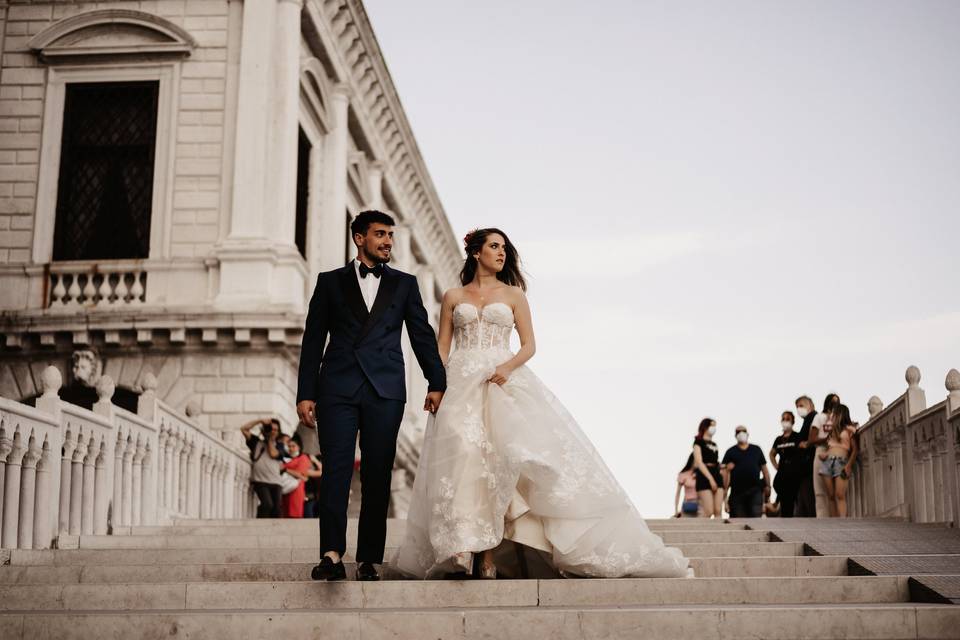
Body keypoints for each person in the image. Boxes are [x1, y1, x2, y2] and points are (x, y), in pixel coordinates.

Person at [393, 228, 689, 580]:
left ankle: (487, 556)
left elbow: (529, 345)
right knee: (463, 461)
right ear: (476, 253)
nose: (502, 253)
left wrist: (506, 368)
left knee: (501, 463)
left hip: (502, 384)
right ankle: (461, 546)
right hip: (461, 384)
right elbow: (442, 346)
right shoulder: (454, 296)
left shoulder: (514, 295)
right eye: (494, 246)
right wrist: (436, 384)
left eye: (505, 248)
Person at [295, 210, 446, 582]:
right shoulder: (329, 282)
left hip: (386, 390)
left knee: (377, 475)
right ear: (359, 238)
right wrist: (305, 392)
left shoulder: (405, 284)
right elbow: (313, 339)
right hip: (337, 388)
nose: (388, 242)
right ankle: (330, 555)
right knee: (336, 472)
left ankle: (368, 560)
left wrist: (436, 381)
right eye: (380, 234)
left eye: (391, 235)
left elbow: (422, 336)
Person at [818, 403, 859, 517]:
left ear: (841, 413)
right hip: (827, 462)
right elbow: (831, 446)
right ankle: (834, 522)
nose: (832, 415)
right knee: (830, 495)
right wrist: (825, 454)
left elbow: (855, 449)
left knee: (839, 494)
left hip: (841, 462)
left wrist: (849, 465)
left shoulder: (850, 429)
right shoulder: (831, 431)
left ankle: (842, 521)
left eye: (834, 413)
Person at [722, 426, 771, 518]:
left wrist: (768, 486)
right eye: (738, 432)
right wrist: (724, 499)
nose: (741, 433)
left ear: (747, 434)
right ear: (735, 435)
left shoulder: (756, 449)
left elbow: (765, 470)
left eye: (743, 431)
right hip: (737, 493)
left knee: (756, 519)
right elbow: (724, 475)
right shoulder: (730, 452)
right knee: (739, 522)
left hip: (755, 491)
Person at [241, 417, 283, 518]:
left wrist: (269, 440)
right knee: (267, 504)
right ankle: (260, 527)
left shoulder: (280, 445)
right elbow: (244, 429)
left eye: (276, 430)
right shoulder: (256, 442)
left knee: (276, 509)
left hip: (276, 482)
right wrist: (260, 421)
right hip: (260, 481)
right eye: (271, 429)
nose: (273, 432)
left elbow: (273, 454)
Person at [810, 393, 840, 517]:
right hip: (821, 451)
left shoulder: (838, 418)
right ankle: (822, 519)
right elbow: (811, 439)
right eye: (832, 402)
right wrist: (826, 439)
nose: (834, 404)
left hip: (836, 452)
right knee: (820, 490)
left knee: (835, 490)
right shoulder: (819, 417)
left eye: (837, 402)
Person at [770, 410, 803, 517]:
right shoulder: (778, 439)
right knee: (781, 491)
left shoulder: (797, 436)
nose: (785, 421)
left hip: (794, 473)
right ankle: (781, 510)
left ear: (793, 421)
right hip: (782, 472)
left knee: (792, 499)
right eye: (783, 419)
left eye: (787, 419)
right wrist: (775, 465)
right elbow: (772, 454)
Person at [692, 418, 723, 519]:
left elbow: (715, 461)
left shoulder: (715, 444)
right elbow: (699, 462)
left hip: (716, 473)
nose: (714, 428)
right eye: (712, 425)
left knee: (718, 510)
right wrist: (711, 479)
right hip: (704, 476)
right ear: (705, 427)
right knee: (708, 511)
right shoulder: (698, 443)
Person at [793, 396, 818, 517]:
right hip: (803, 469)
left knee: (809, 503)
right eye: (797, 407)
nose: (799, 409)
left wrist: (807, 443)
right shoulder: (807, 420)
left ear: (811, 405)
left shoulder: (814, 417)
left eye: (801, 405)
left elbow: (814, 436)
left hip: (810, 466)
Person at [280, 435, 312, 518]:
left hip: (296, 491)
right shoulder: (288, 459)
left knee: (294, 516)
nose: (291, 448)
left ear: (299, 447)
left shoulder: (303, 458)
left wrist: (285, 470)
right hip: (285, 491)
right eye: (289, 446)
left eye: (293, 446)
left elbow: (301, 475)